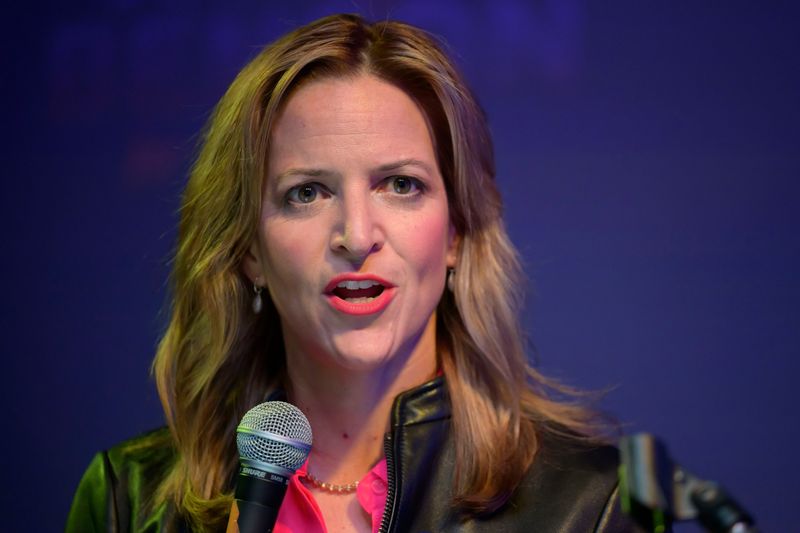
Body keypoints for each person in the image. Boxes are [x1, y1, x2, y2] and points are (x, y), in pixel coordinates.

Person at [67, 13, 642, 533]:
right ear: (248, 251)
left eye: (401, 185)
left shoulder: (588, 504)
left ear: (456, 232)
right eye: (307, 193)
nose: (357, 236)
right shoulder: (129, 501)